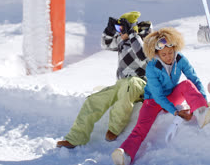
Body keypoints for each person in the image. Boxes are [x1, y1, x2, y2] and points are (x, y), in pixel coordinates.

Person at [111, 27, 210, 165]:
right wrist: (175, 111)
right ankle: (125, 154)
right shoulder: (151, 67)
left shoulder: (180, 59)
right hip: (153, 101)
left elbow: (194, 79)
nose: (168, 57)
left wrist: (202, 100)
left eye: (170, 52)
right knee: (141, 127)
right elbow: (159, 96)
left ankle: (202, 114)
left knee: (187, 84)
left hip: (172, 96)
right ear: (156, 53)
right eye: (164, 54)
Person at [56, 11, 152, 149]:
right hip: (122, 83)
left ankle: (114, 128)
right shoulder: (122, 41)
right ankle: (75, 138)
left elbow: (143, 56)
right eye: (117, 29)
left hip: (139, 83)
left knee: (128, 87)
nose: (119, 33)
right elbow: (105, 44)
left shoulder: (144, 40)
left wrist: (132, 34)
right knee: (93, 100)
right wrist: (109, 30)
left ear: (130, 28)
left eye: (121, 29)